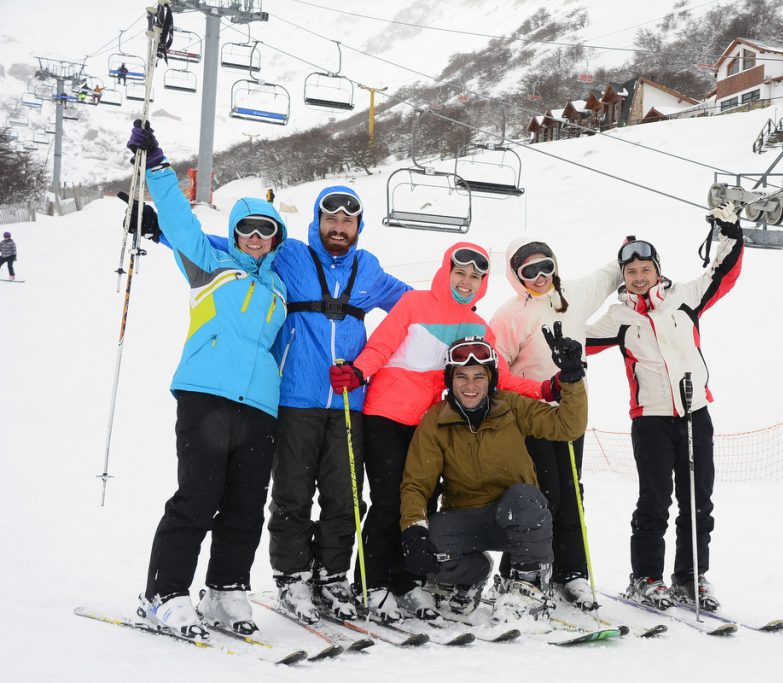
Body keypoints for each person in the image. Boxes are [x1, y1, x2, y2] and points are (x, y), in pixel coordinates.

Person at [146, 185, 411, 625]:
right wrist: (160, 232)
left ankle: (332, 575)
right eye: (331, 219)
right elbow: (224, 247)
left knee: (343, 494)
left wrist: (459, 318)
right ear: (317, 223)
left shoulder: (370, 270)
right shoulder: (287, 256)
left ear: (358, 228)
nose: (339, 226)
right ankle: (293, 578)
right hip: (291, 397)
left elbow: (413, 306)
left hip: (349, 402)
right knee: (291, 494)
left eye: (348, 221)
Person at [125, 120, 289, 640]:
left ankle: (225, 590)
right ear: (236, 232)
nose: (258, 238)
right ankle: (165, 593)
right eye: (249, 229)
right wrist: (156, 166)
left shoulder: (280, 288)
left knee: (245, 504)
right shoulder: (210, 265)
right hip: (205, 395)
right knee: (198, 497)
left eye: (268, 231)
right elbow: (178, 221)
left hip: (261, 406)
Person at [329, 242, 552, 622]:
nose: (466, 282)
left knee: (424, 506)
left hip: (432, 424)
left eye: (475, 277)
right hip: (388, 414)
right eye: (460, 273)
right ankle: (372, 581)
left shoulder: (477, 327)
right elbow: (382, 344)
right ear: (446, 271)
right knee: (389, 501)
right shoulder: (415, 304)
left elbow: (501, 378)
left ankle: (405, 580)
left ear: (482, 283)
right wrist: (360, 371)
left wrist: (545, 390)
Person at [585, 203, 743, 612]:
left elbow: (722, 272)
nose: (639, 278)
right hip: (651, 420)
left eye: (645, 270)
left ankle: (691, 578)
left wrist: (730, 230)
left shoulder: (685, 297)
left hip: (694, 414)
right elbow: (575, 339)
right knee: (654, 501)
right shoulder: (618, 316)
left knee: (698, 502)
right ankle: (646, 578)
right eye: (631, 273)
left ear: (658, 269)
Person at [399, 328, 588, 623]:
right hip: (465, 518)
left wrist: (573, 378)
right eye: (462, 376)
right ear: (451, 380)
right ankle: (470, 575)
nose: (470, 385)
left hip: (514, 517)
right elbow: (416, 484)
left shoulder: (512, 407)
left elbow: (566, 427)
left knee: (525, 498)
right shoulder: (436, 421)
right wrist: (413, 528)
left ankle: (529, 588)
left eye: (479, 377)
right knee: (429, 538)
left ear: (491, 380)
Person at [489, 238, 620, 611]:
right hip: (530, 414)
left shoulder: (573, 295)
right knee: (540, 493)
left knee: (570, 492)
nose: (541, 276)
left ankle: (571, 572)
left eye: (547, 266)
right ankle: (522, 570)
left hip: (570, 408)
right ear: (517, 276)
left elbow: (606, 276)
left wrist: (628, 250)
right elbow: (495, 368)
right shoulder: (510, 315)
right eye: (530, 271)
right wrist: (534, 390)